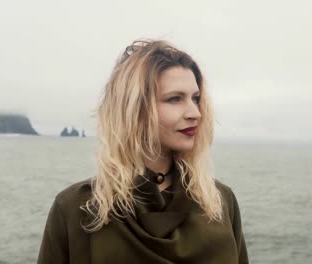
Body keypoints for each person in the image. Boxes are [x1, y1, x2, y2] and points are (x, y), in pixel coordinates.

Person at [37, 39, 249, 264]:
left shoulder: (220, 202)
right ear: (134, 108)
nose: (195, 113)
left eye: (196, 99)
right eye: (175, 99)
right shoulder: (76, 209)